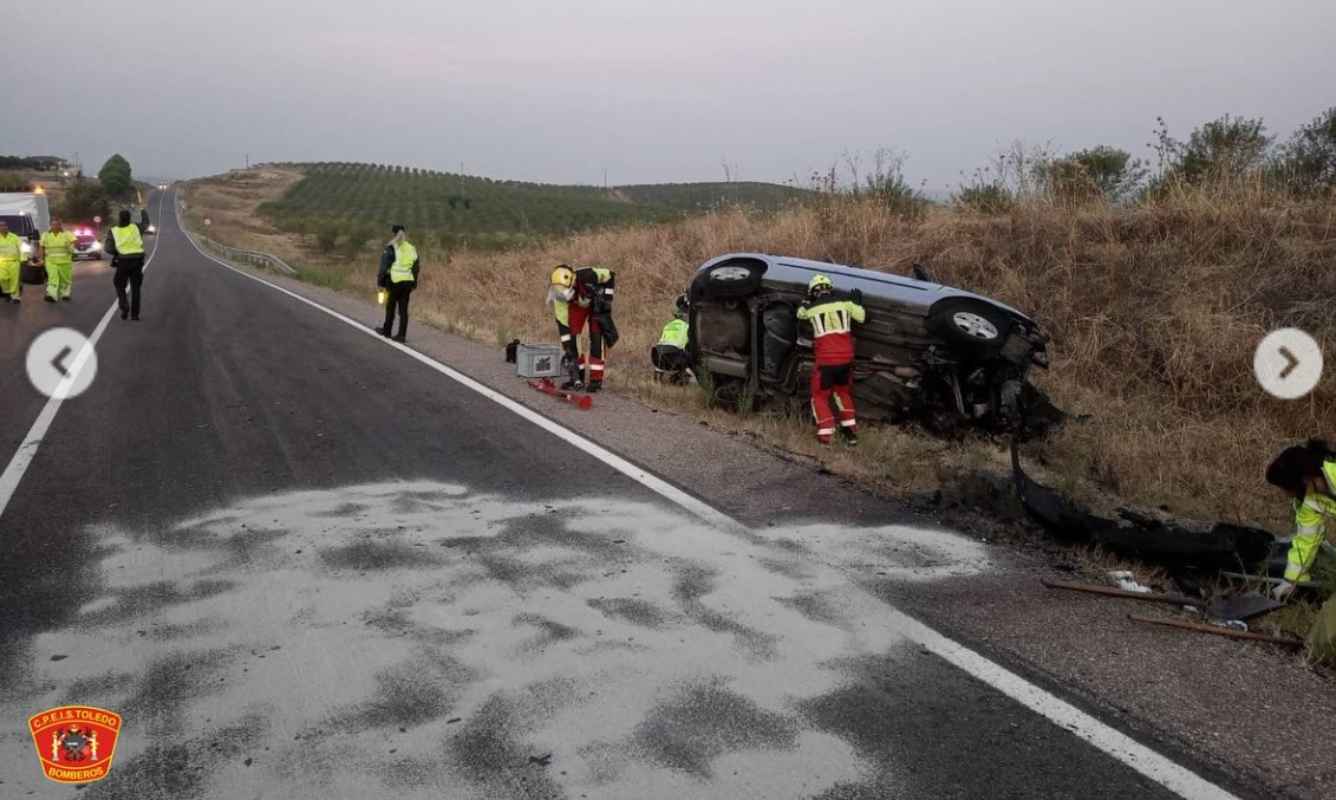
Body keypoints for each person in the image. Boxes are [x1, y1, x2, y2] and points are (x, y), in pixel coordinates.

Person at [795, 274, 865, 445]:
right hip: (846, 359)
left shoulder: (812, 308)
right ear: (830, 288)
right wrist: (857, 304)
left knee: (819, 396)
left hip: (826, 361)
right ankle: (851, 432)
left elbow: (799, 314)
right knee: (842, 392)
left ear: (813, 292)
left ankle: (826, 434)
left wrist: (805, 300)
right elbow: (861, 317)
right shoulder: (846, 303)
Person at [1265, 439, 1336, 600]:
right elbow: (1306, 540)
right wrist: (1291, 580)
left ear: (1302, 479)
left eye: (1285, 488)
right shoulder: (1308, 501)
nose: (1286, 494)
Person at [547, 264, 617, 392]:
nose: (561, 295)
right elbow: (563, 325)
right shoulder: (560, 300)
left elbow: (610, 275)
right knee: (573, 341)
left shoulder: (588, 274)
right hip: (577, 306)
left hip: (597, 302)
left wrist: (607, 299)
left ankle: (596, 381)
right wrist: (567, 346)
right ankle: (577, 377)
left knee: (597, 339)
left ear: (572, 282)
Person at [376, 224, 419, 342]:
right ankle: (401, 335)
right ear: (405, 233)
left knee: (390, 307)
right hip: (407, 283)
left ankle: (387, 331)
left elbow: (384, 267)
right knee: (403, 310)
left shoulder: (391, 247)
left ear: (393, 233)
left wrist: (380, 282)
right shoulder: (412, 248)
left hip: (394, 281)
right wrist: (414, 283)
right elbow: (416, 268)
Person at [104, 209, 145, 320]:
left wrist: (117, 252)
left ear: (119, 218)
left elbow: (108, 248)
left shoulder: (113, 231)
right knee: (136, 288)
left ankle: (124, 305)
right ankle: (135, 315)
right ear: (129, 218)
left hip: (123, 261)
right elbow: (146, 223)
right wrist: (142, 210)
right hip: (137, 261)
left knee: (118, 284)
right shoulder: (136, 227)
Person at [651, 294, 692, 384]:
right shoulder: (688, 327)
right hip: (675, 357)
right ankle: (684, 376)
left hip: (656, 356)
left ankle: (659, 373)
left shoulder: (669, 325)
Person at [38, 218, 77, 302]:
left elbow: (74, 242)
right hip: (51, 261)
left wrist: (70, 247)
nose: (55, 226)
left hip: (65, 261)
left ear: (60, 225)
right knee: (52, 278)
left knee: (65, 279)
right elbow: (41, 247)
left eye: (57, 224)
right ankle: (52, 295)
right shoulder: (45, 235)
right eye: (53, 224)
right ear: (50, 225)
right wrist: (41, 259)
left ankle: (65, 294)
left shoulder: (67, 234)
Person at [0, 220, 23, 303]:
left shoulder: (14, 237)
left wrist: (23, 259)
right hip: (1, 263)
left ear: (7, 227)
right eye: (1, 226)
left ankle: (15, 297)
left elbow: (22, 247)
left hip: (14, 262)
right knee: (2, 279)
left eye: (4, 226)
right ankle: (7, 293)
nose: (3, 227)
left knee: (15, 280)